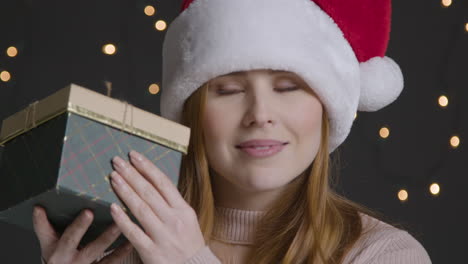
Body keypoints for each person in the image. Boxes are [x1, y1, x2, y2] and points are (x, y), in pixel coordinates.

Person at [33, 0, 433, 263]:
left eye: (287, 87)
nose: (260, 114)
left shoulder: (385, 255)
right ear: (192, 113)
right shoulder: (128, 246)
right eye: (228, 90)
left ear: (328, 107)